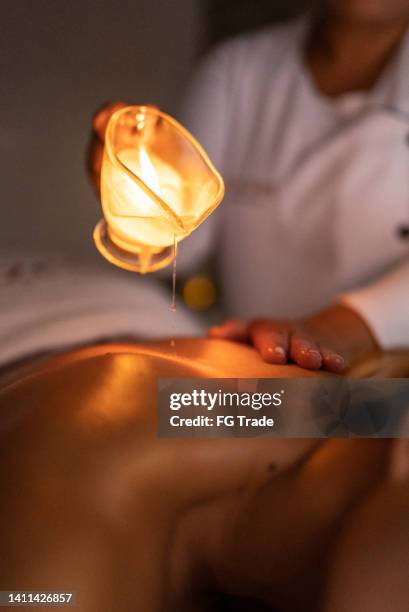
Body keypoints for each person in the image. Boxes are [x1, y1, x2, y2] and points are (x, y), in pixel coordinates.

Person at [89, 0, 409, 374]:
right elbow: (182, 245)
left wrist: (338, 328)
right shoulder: (237, 69)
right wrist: (129, 199)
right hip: (254, 364)